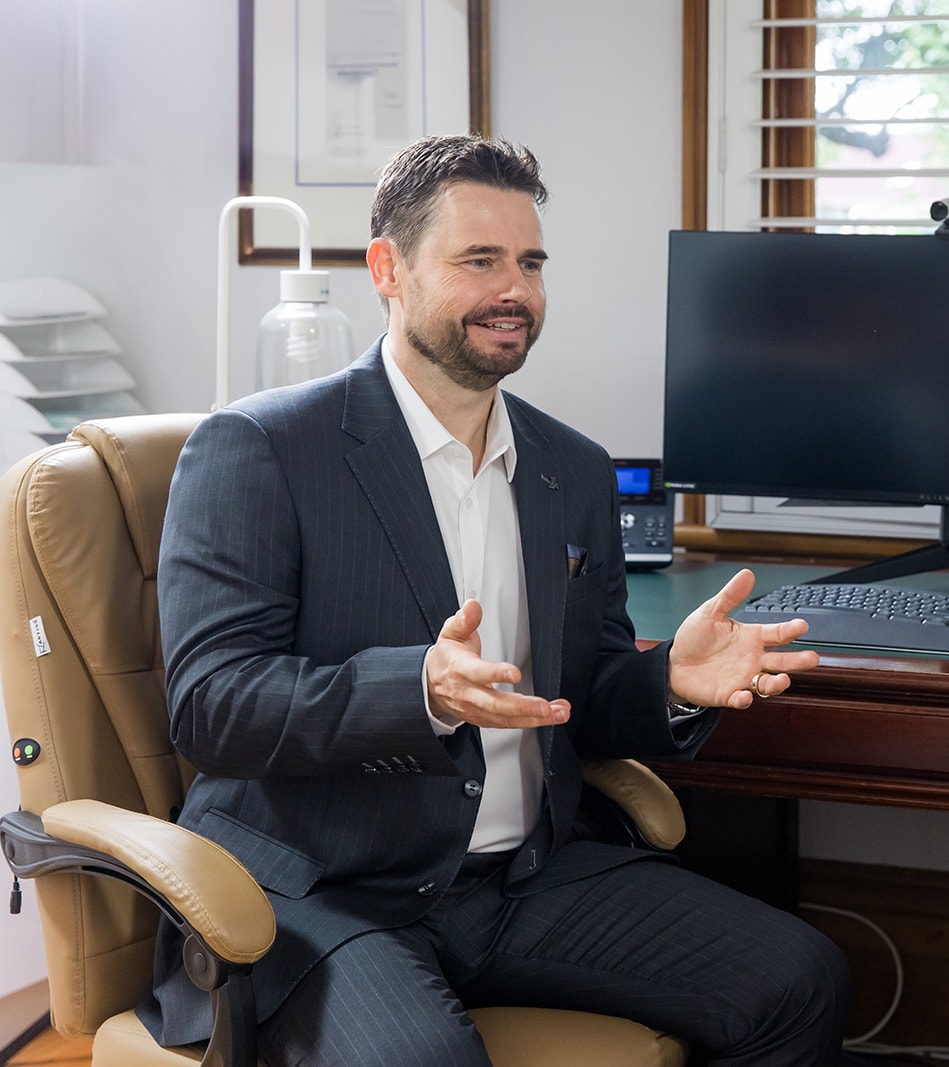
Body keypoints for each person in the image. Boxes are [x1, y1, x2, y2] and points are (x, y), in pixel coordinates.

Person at [145, 133, 849, 1067]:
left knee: (801, 976)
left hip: (523, 880)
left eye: (529, 262)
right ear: (387, 270)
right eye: (479, 260)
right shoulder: (262, 449)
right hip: (324, 892)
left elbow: (582, 697)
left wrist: (667, 683)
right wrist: (421, 691)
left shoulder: (573, 467)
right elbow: (212, 706)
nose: (513, 289)